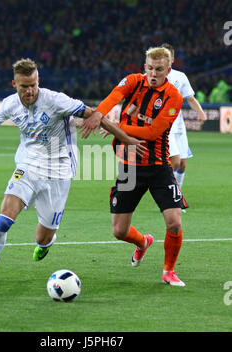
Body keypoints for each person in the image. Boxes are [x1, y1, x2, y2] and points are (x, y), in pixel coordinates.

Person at [0, 58, 145, 288]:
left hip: (59, 172)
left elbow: (95, 115)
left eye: (33, 84)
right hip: (27, 166)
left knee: (43, 237)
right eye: (24, 86)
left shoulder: (56, 100)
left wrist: (127, 139)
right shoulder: (10, 104)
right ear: (15, 84)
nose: (30, 90)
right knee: (4, 220)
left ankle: (45, 244)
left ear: (38, 81)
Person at [79, 47, 187, 286]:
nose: (152, 74)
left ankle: (168, 270)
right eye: (149, 68)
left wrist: (113, 126)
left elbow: (152, 132)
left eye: (159, 69)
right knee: (119, 231)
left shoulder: (173, 97)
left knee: (175, 222)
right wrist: (99, 114)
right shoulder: (133, 81)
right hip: (129, 165)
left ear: (168, 70)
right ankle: (142, 242)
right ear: (144, 66)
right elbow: (113, 97)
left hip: (159, 166)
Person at [161, 44, 207, 199]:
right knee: (174, 161)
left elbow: (190, 98)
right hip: (164, 126)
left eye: (168, 56)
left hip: (179, 126)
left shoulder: (180, 77)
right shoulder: (153, 75)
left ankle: (176, 194)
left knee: (182, 164)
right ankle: (170, 196)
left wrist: (200, 112)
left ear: (172, 59)